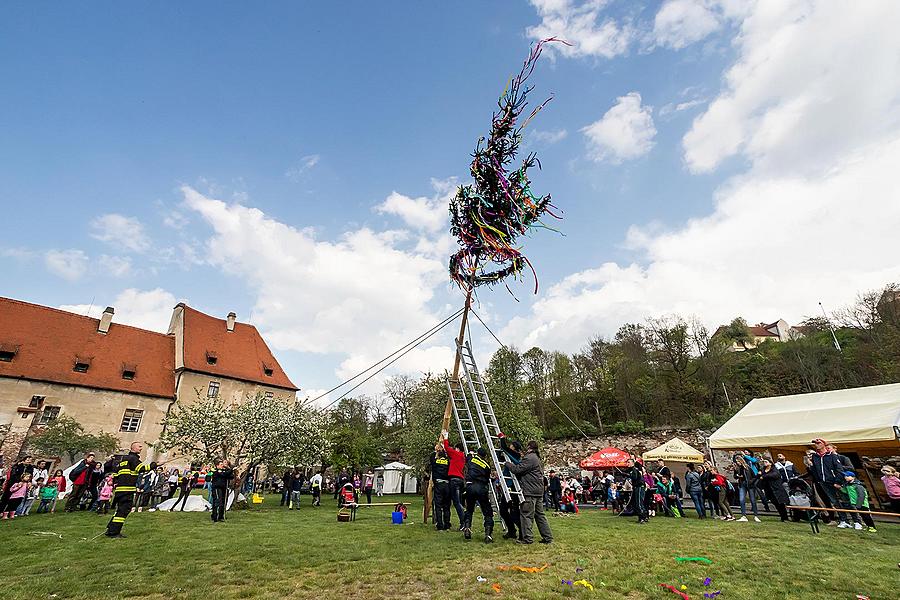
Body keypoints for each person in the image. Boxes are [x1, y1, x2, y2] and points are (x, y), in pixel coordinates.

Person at [506, 441, 552, 544]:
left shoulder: (530, 458)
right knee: (540, 515)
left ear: (529, 447)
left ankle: (527, 539)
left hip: (530, 491)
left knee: (526, 514)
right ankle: (547, 537)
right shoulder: (537, 458)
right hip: (538, 492)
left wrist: (507, 464)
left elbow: (518, 469)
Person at [105, 442, 154, 538]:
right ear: (133, 448)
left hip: (120, 489)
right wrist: (154, 465)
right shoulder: (133, 459)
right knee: (123, 511)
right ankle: (114, 532)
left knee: (119, 510)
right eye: (139, 446)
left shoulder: (123, 460)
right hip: (127, 490)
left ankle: (111, 528)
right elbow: (142, 468)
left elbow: (115, 474)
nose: (141, 448)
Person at [809, 438, 848, 526]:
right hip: (823, 482)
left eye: (818, 443)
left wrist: (838, 481)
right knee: (834, 502)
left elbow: (839, 469)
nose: (816, 445)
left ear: (824, 444)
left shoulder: (832, 455)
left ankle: (857, 521)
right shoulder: (815, 456)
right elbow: (815, 469)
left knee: (845, 501)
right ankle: (843, 520)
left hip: (835, 481)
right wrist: (819, 479)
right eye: (815, 443)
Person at [463, 446, 495, 543]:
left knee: (469, 509)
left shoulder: (472, 459)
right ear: (484, 456)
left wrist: (471, 453)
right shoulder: (487, 466)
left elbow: (467, 457)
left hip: (470, 486)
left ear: (477, 453)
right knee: (487, 511)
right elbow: (487, 478)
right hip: (481, 488)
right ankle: (488, 534)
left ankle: (467, 528)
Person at [497, 432, 523, 540]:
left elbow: (504, 447)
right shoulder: (511, 456)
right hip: (508, 486)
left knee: (512, 512)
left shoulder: (514, 455)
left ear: (514, 448)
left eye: (511, 445)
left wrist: (502, 438)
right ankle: (512, 531)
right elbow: (501, 458)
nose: (510, 447)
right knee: (504, 510)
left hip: (511, 487)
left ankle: (521, 532)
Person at [441, 432, 467, 529]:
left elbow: (448, 449)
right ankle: (464, 521)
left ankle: (464, 522)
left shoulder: (457, 454)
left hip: (454, 480)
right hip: (460, 480)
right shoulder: (462, 457)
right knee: (458, 501)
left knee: (457, 503)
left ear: (458, 449)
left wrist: (446, 438)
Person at [430, 443, 452, 531]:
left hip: (439, 484)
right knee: (446, 506)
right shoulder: (448, 461)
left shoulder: (436, 461)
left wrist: (436, 451)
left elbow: (432, 458)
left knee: (438, 506)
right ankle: (447, 525)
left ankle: (440, 525)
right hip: (447, 485)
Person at [732, 453, 760, 522]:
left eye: (738, 461)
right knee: (741, 500)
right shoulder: (737, 468)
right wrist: (737, 475)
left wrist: (751, 482)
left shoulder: (747, 467)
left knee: (752, 500)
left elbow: (754, 476)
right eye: (736, 461)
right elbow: (735, 476)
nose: (737, 463)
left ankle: (756, 515)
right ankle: (743, 516)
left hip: (749, 485)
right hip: (742, 484)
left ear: (741, 461)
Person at [626, 458, 648, 524]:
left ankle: (642, 518)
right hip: (636, 487)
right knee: (636, 503)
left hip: (639, 487)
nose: (627, 464)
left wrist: (627, 475)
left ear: (633, 463)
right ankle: (644, 516)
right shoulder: (631, 470)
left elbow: (634, 477)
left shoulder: (634, 469)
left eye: (629, 462)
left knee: (639, 503)